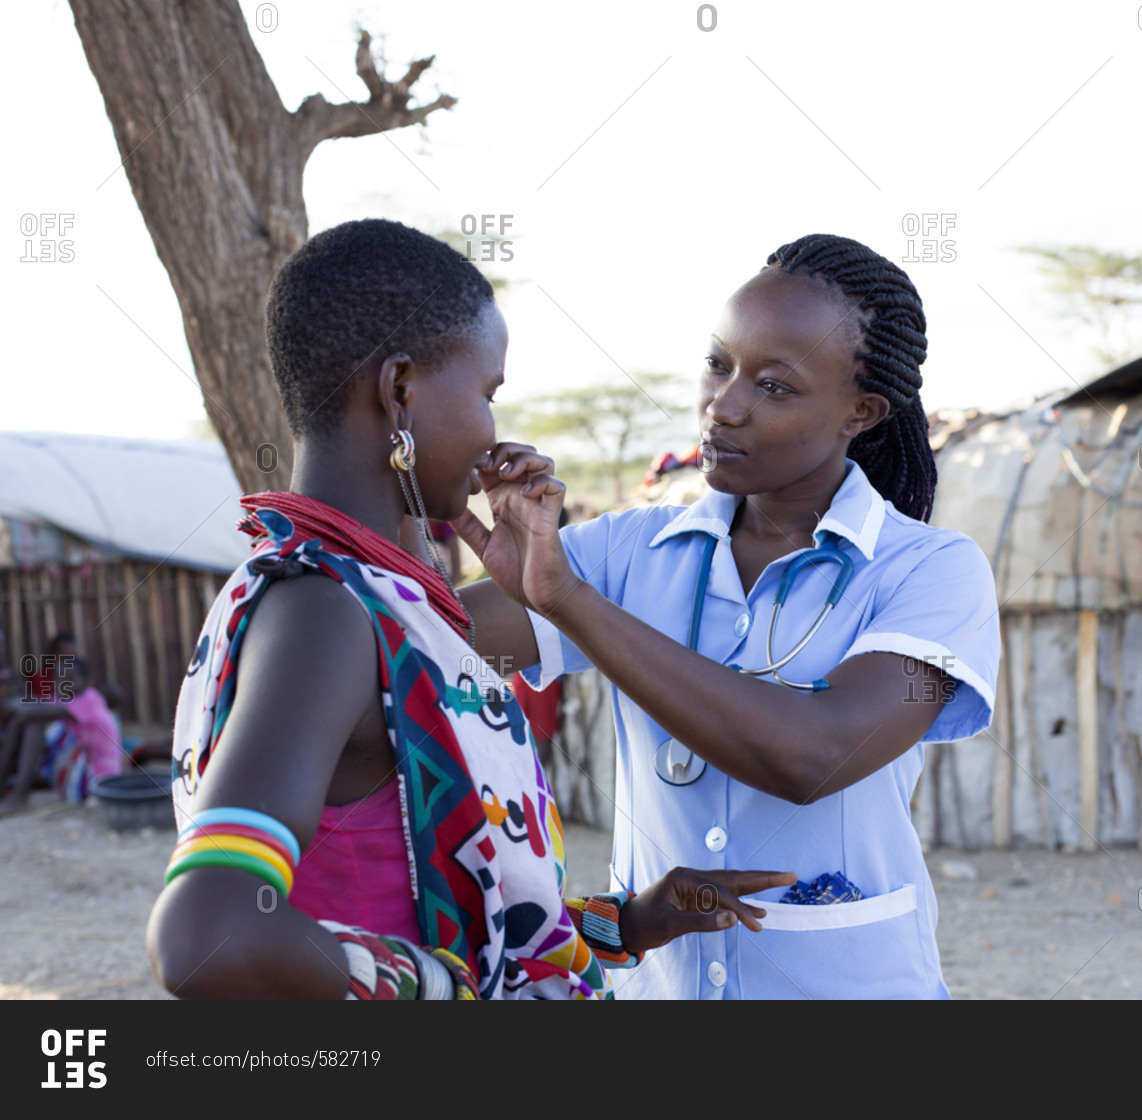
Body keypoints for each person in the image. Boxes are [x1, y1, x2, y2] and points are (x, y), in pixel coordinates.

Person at [147, 218, 792, 1000]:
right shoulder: (324, 612)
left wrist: (632, 923)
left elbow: (457, 920)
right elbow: (210, 931)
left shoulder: (363, 600)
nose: (495, 433)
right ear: (400, 390)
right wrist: (438, 992)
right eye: (488, 393)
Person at [456, 233, 1002, 999]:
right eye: (719, 365)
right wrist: (431, 491)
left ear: (862, 410)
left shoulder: (929, 571)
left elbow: (814, 757)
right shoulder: (628, 549)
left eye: (774, 387)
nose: (726, 405)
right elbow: (421, 646)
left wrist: (570, 604)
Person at [0, 654, 123, 814]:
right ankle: (3, 787)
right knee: (24, 721)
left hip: (98, 781)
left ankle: (19, 796)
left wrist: (11, 703)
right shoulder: (65, 698)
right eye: (58, 678)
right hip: (79, 771)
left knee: (33, 723)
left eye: (70, 678)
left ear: (87, 680)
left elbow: (32, 711)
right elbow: (32, 708)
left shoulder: (90, 700)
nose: (62, 683)